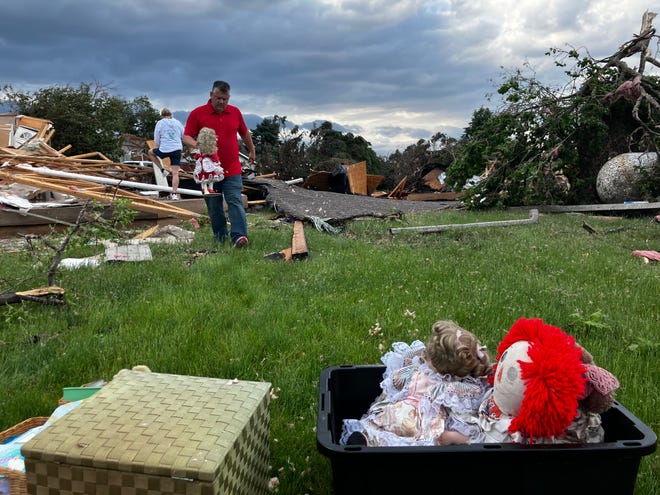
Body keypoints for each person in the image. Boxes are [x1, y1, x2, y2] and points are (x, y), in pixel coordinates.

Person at [340, 320, 492, 447]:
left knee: (388, 431)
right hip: (415, 419)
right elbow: (472, 396)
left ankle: (368, 439)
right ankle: (368, 439)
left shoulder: (418, 370)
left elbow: (395, 383)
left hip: (402, 414)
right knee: (422, 438)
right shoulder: (448, 386)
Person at [183, 80, 256, 247]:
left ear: (228, 98)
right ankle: (220, 238)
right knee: (214, 206)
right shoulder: (198, 113)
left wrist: (251, 150)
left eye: (225, 99)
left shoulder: (235, 112)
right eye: (218, 98)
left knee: (235, 201)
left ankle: (239, 237)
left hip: (232, 168)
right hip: (209, 173)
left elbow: (244, 133)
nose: (221, 102)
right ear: (211, 95)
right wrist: (198, 145)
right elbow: (186, 136)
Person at [148, 108, 185, 200]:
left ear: (162, 115)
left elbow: (156, 137)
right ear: (171, 115)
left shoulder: (160, 123)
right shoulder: (177, 122)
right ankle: (174, 194)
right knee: (175, 173)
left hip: (164, 149)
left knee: (150, 152)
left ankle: (162, 170)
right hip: (177, 149)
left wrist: (159, 146)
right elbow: (183, 135)